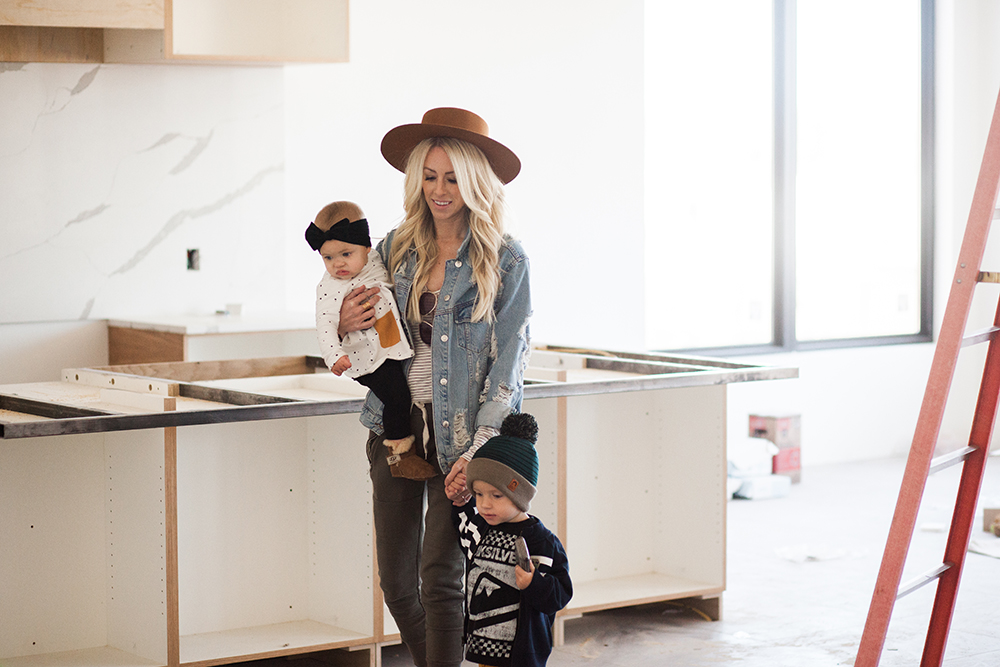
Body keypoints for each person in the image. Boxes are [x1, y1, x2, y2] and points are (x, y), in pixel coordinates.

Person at [337, 107, 532, 667]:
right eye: (430, 176)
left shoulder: (506, 258)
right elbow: (350, 321)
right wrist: (344, 324)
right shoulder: (394, 248)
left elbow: (510, 360)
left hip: (464, 437)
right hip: (395, 426)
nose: (440, 191)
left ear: (476, 182)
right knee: (397, 582)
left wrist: (480, 449)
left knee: (440, 580)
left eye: (453, 178)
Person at [307, 200, 435, 480]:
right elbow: (325, 326)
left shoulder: (377, 259)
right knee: (396, 396)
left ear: (366, 247)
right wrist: (334, 356)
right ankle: (400, 456)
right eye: (328, 258)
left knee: (397, 393)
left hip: (386, 345)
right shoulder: (330, 288)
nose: (338, 264)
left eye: (346, 254)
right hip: (363, 357)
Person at [448, 412, 572, 667]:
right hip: (484, 648)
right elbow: (465, 533)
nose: (484, 504)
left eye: (496, 496)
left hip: (521, 657)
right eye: (478, 494)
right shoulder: (482, 528)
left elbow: (560, 594)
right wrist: (460, 504)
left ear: (519, 494)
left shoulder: (542, 541)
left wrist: (534, 583)